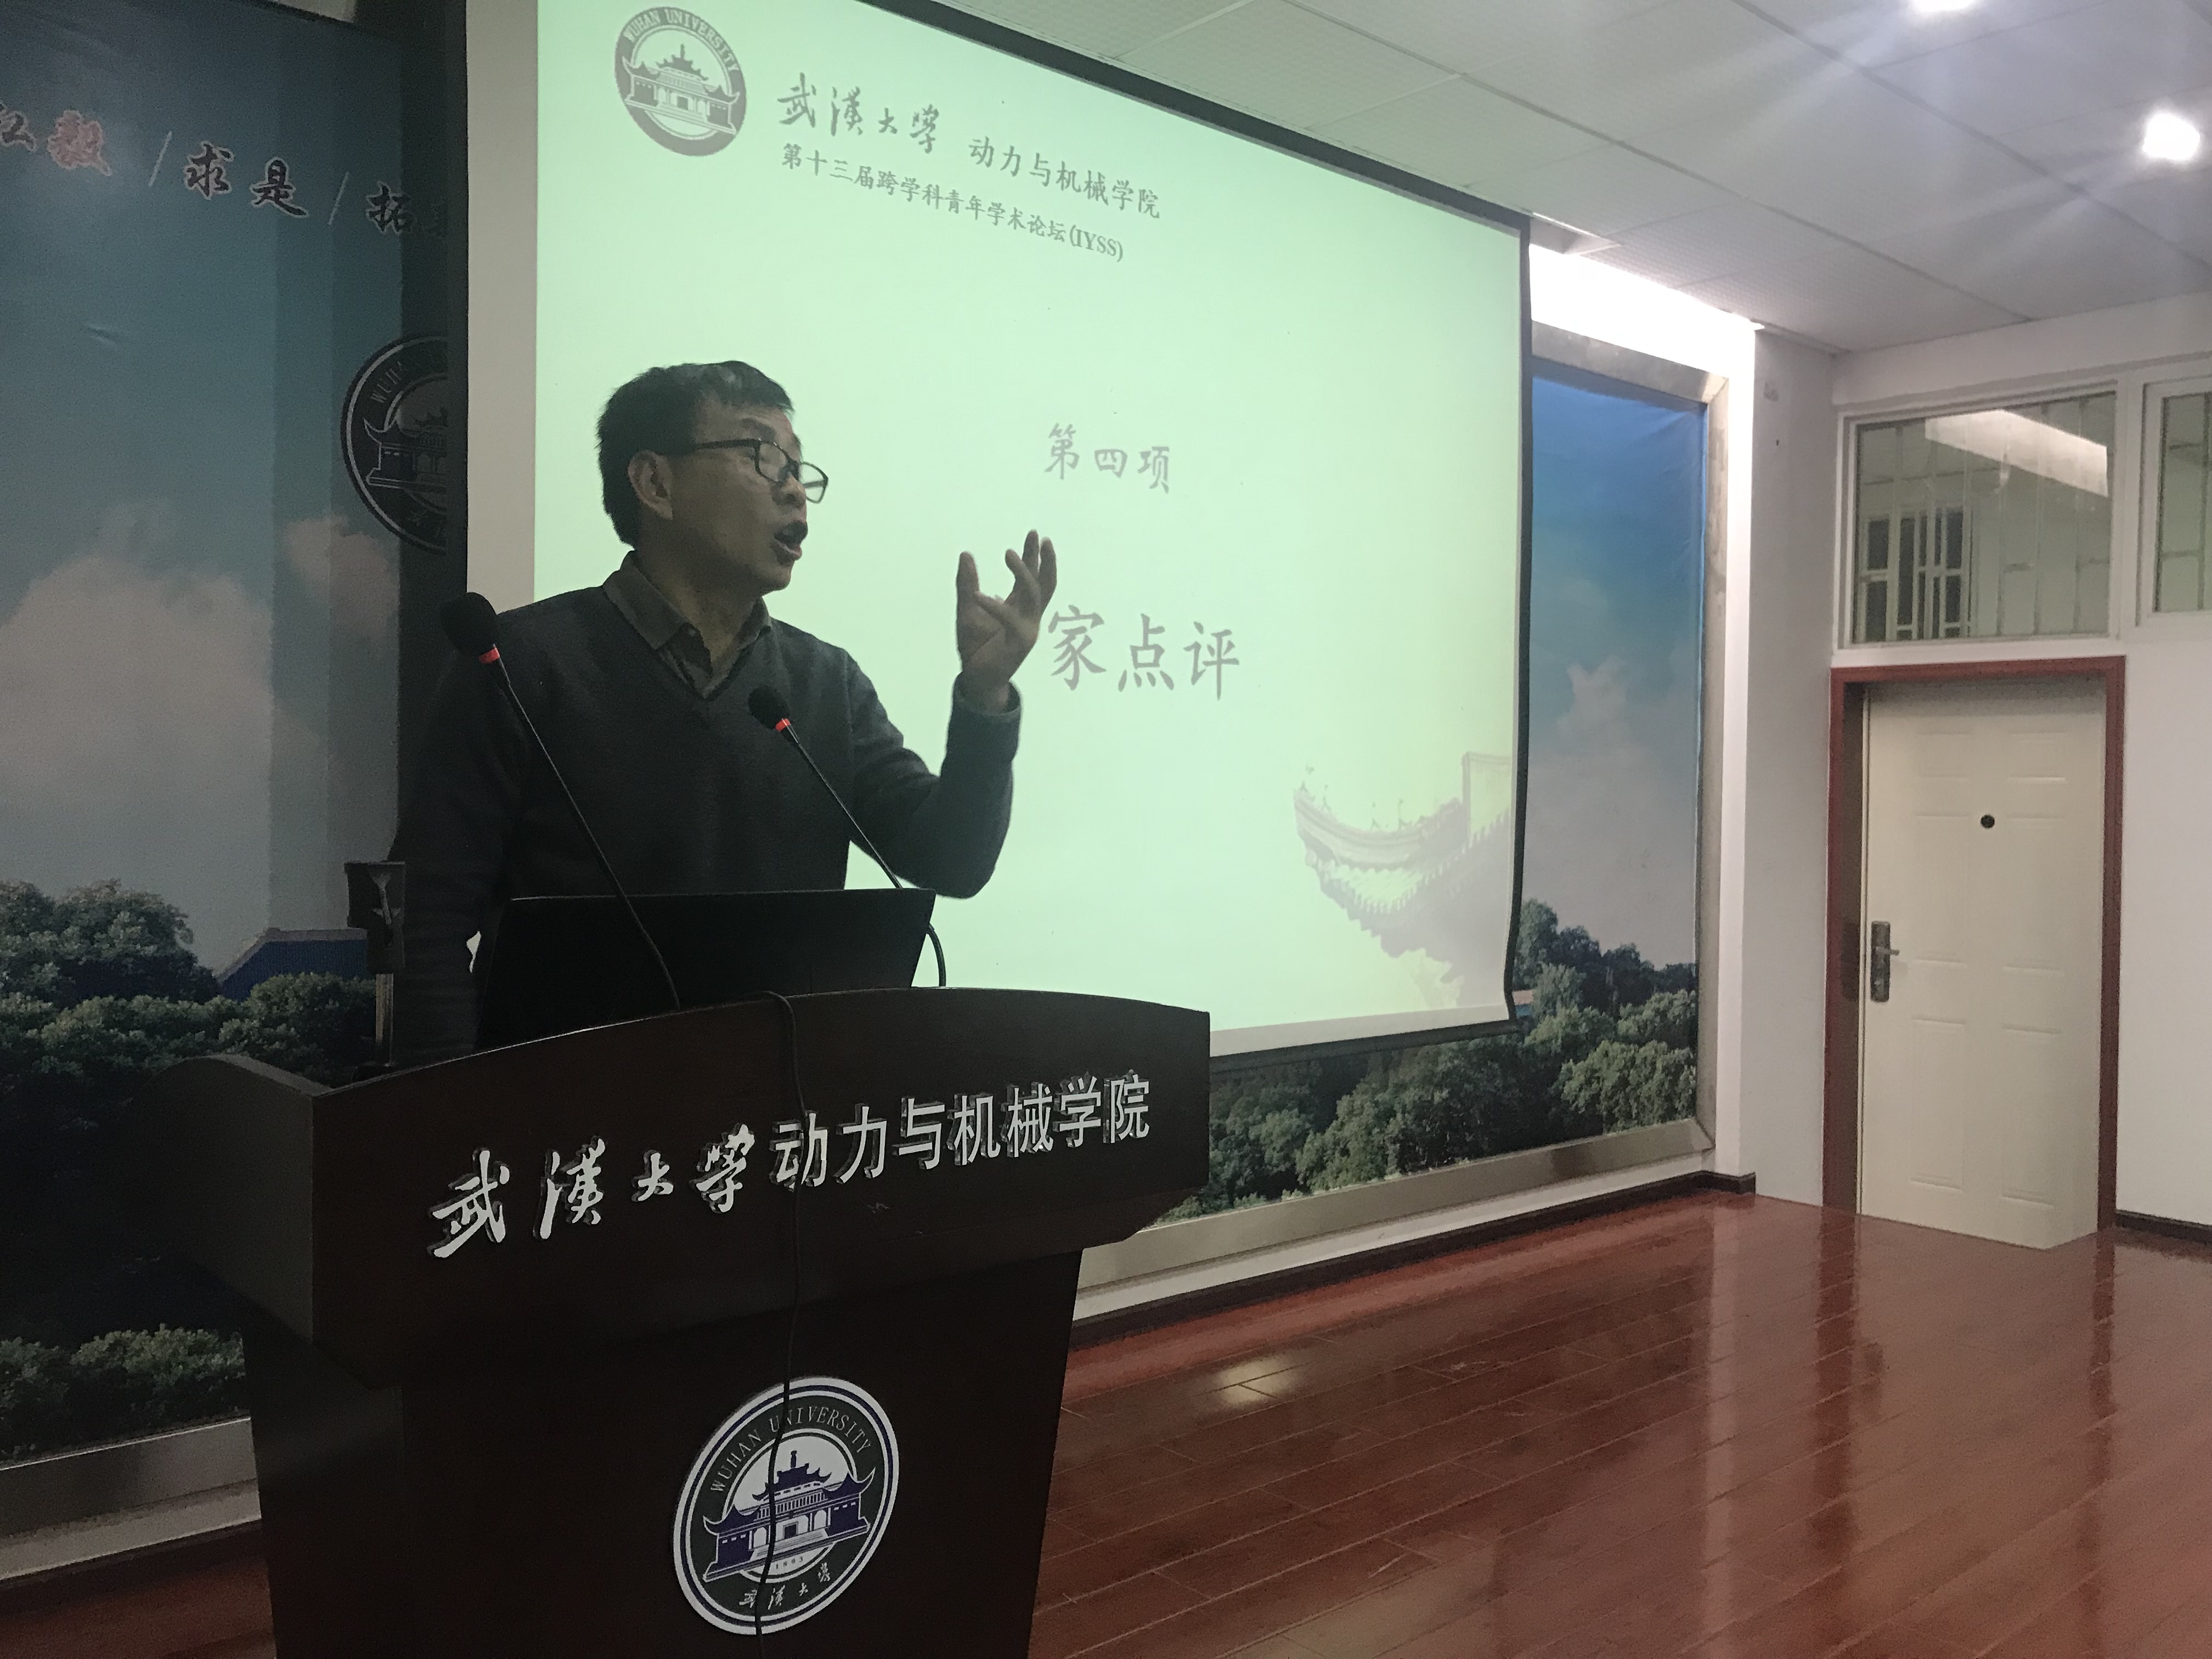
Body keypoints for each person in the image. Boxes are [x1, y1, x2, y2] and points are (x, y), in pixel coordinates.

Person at [388, 359, 1057, 1063]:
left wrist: (985, 697)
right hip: (563, 1109)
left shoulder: (825, 682)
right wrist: (460, 1108)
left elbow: (951, 860)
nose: (794, 489)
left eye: (799, 469)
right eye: (762, 457)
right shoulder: (519, 664)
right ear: (655, 483)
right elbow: (423, 922)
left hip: (777, 1103)